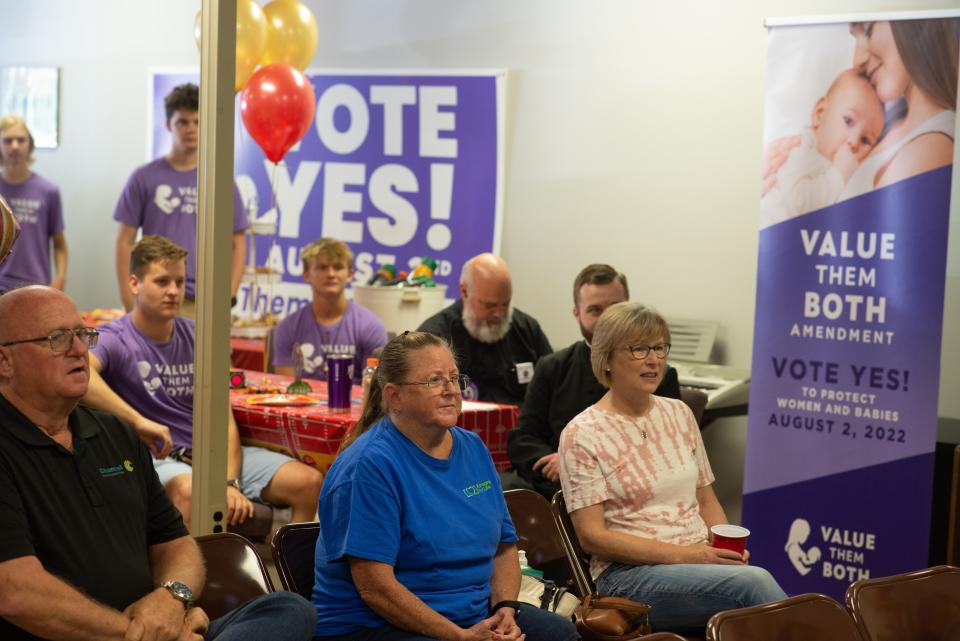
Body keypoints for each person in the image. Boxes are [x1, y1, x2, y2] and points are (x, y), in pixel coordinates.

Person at [0, 285, 316, 641]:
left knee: (289, 609)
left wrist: (172, 600)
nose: (78, 350)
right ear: (4, 360)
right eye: (56, 338)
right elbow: (15, 592)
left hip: (159, 626)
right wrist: (142, 633)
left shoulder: (114, 432)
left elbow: (176, 544)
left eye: (82, 335)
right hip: (93, 635)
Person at [311, 331, 578, 641]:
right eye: (434, 381)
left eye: (454, 378)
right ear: (394, 396)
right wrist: (458, 636)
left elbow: (503, 547)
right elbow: (376, 589)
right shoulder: (368, 466)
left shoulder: (473, 448)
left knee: (560, 633)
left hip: (472, 616)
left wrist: (506, 608)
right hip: (377, 625)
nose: (451, 390)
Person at [558, 302, 786, 633]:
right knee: (754, 586)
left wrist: (722, 554)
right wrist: (691, 557)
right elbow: (593, 538)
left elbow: (706, 501)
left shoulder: (679, 413)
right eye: (639, 349)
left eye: (659, 347)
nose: (654, 360)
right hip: (628, 578)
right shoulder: (582, 434)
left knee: (750, 588)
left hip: (695, 561)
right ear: (606, 359)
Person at [83, 235, 322, 528]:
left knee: (309, 482)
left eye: (180, 282)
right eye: (162, 282)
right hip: (158, 457)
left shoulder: (199, 335)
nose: (173, 291)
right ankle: (193, 572)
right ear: (134, 284)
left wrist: (229, 482)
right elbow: (83, 373)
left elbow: (223, 417)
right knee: (190, 493)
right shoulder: (113, 336)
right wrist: (138, 421)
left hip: (210, 453)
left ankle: (279, 562)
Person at [503, 264, 681, 498]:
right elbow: (525, 438)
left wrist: (574, 461)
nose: (607, 319)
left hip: (632, 490)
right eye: (595, 310)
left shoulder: (657, 373)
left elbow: (663, 445)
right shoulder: (552, 367)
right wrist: (563, 464)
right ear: (577, 314)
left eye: (615, 308)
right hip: (559, 488)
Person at [113, 83, 248, 317]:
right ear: (168, 125)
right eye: (182, 122)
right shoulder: (144, 177)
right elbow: (125, 241)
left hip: (207, 301)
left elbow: (237, 242)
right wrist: (129, 300)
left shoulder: (220, 181)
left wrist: (230, 294)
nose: (191, 129)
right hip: (155, 296)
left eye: (197, 122)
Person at [840, 19, 958, 198]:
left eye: (866, 30)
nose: (857, 60)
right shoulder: (886, 125)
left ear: (912, 23)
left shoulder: (930, 148)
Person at [418, 253, 552, 404]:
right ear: (464, 292)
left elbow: (554, 390)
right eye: (490, 305)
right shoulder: (435, 338)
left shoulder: (527, 330)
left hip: (523, 425)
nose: (499, 314)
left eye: (505, 304)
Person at [760, 70, 883, 226]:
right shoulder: (801, 150)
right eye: (848, 120)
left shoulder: (844, 168)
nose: (854, 142)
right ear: (820, 113)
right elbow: (799, 203)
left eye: (866, 139)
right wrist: (838, 174)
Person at [273, 238, 387, 382]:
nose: (331, 274)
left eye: (338, 267)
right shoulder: (287, 327)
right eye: (322, 267)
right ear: (306, 275)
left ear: (350, 275)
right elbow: (285, 389)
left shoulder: (371, 327)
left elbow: (374, 392)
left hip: (354, 404)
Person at [0, 116, 67, 292]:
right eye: (8, 141)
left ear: (29, 144)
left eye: (21, 140)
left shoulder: (48, 191)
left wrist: (59, 281)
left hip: (37, 287)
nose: (15, 146)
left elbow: (59, 243)